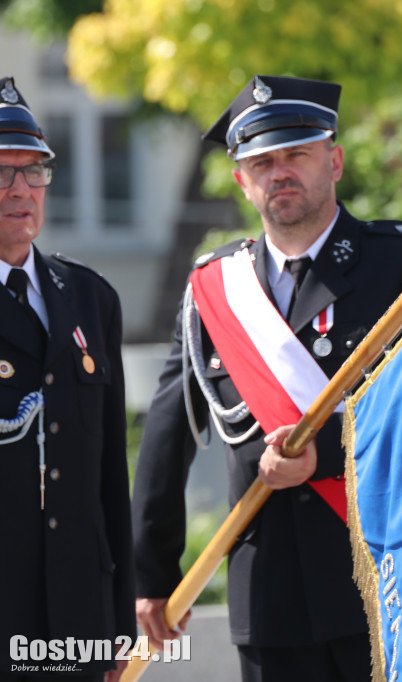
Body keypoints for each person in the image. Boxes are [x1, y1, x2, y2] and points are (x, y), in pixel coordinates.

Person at [131, 75, 402, 681]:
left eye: (296, 155)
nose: (280, 173)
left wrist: (325, 455)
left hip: (384, 577)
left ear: (335, 161)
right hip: (270, 596)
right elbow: (167, 436)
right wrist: (152, 574)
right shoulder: (216, 288)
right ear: (242, 182)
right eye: (262, 163)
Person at [0, 77, 134, 682]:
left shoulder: (88, 297)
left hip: (78, 619)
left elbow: (109, 477)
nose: (20, 189)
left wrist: (118, 627)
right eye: (2, 172)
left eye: (33, 171)